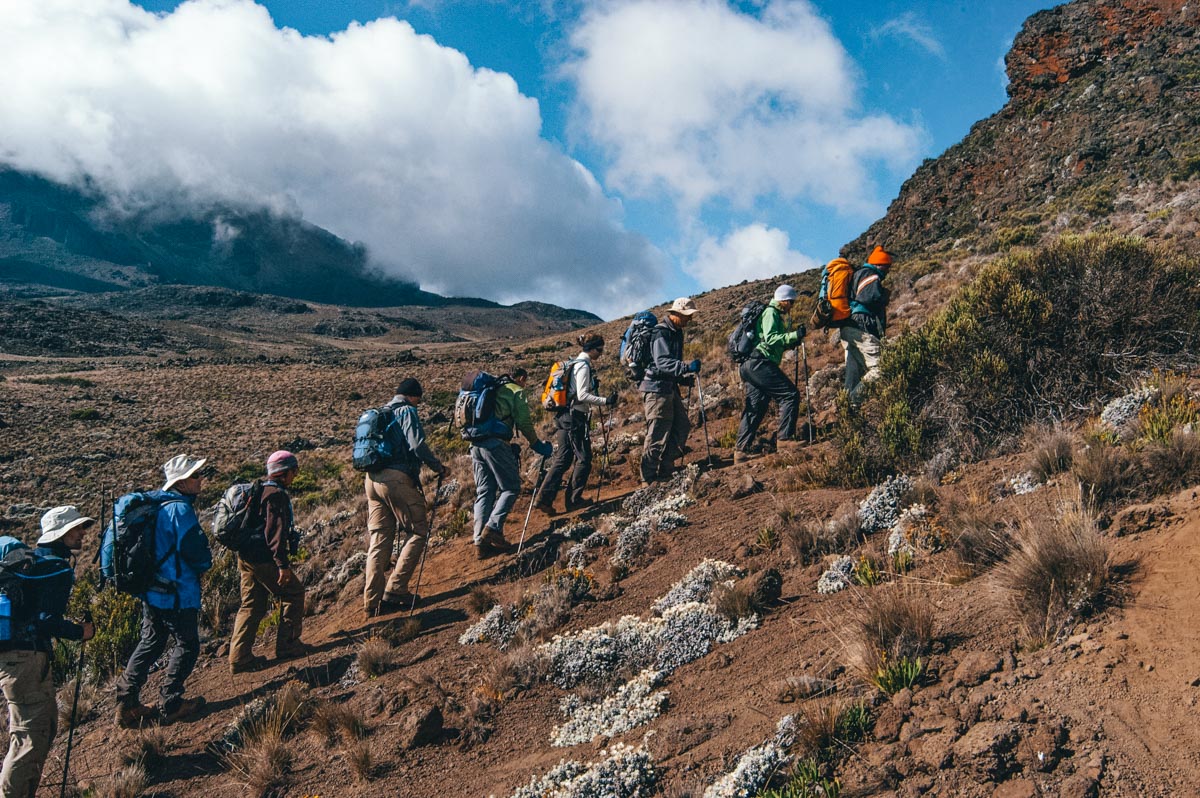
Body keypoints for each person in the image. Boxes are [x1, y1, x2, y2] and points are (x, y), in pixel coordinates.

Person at [0, 507, 95, 797]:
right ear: (63, 534)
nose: (82, 533)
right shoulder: (56, 568)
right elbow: (46, 620)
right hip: (27, 660)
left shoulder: (32, 563)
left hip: (16, 659)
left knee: (33, 730)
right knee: (31, 736)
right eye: (77, 529)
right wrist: (81, 632)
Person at [115, 454, 212, 728]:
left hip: (151, 588)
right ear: (180, 482)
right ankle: (171, 703)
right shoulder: (179, 509)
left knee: (152, 641)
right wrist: (206, 564)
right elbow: (195, 551)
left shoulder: (156, 506)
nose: (200, 479)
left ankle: (127, 702)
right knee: (188, 644)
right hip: (176, 590)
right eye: (195, 475)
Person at [363, 378, 447, 619]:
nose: (419, 403)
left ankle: (372, 602)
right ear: (412, 396)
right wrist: (437, 467)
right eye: (418, 399)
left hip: (372, 480)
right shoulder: (406, 411)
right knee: (418, 531)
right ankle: (397, 589)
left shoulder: (381, 412)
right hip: (396, 479)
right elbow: (417, 444)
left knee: (379, 539)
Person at [229, 450, 309, 674]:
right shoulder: (276, 494)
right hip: (264, 559)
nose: (296, 475)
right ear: (284, 473)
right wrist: (282, 565)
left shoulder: (260, 490)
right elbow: (275, 533)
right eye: (294, 470)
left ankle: (239, 658)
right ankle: (289, 644)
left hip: (246, 556)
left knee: (251, 605)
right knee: (293, 593)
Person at [472, 369, 553, 559]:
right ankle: (492, 528)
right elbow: (524, 422)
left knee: (485, 491)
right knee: (510, 488)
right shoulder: (516, 390)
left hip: (475, 444)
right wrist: (537, 445)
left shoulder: (493, 389)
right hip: (496, 443)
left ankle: (479, 542)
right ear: (522, 378)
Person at [536, 334, 617, 515]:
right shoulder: (583, 366)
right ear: (592, 348)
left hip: (564, 415)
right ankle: (573, 500)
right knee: (584, 458)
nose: (601, 354)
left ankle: (544, 499)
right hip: (574, 417)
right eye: (600, 350)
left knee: (563, 458)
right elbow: (581, 396)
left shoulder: (575, 364)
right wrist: (606, 400)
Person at [734, 285, 805, 463]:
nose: (792, 306)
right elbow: (771, 338)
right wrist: (794, 335)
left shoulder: (771, 314)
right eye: (791, 302)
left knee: (757, 406)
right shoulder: (771, 313)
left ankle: (741, 452)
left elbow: (770, 341)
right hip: (760, 363)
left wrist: (789, 343)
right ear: (784, 300)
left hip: (750, 365)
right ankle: (784, 440)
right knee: (790, 395)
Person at [639, 297, 700, 485]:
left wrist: (682, 378)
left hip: (668, 387)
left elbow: (667, 364)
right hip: (656, 389)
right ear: (676, 314)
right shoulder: (661, 333)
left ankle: (666, 467)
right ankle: (648, 478)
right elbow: (662, 362)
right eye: (686, 316)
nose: (689, 320)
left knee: (681, 426)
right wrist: (686, 367)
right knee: (657, 432)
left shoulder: (676, 332)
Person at [842, 246, 892, 404]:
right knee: (881, 368)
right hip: (861, 326)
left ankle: (848, 410)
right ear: (880, 265)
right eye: (887, 266)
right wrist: (884, 295)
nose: (888, 270)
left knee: (853, 373)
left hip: (847, 327)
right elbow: (870, 298)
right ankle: (852, 401)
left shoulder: (857, 274)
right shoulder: (870, 275)